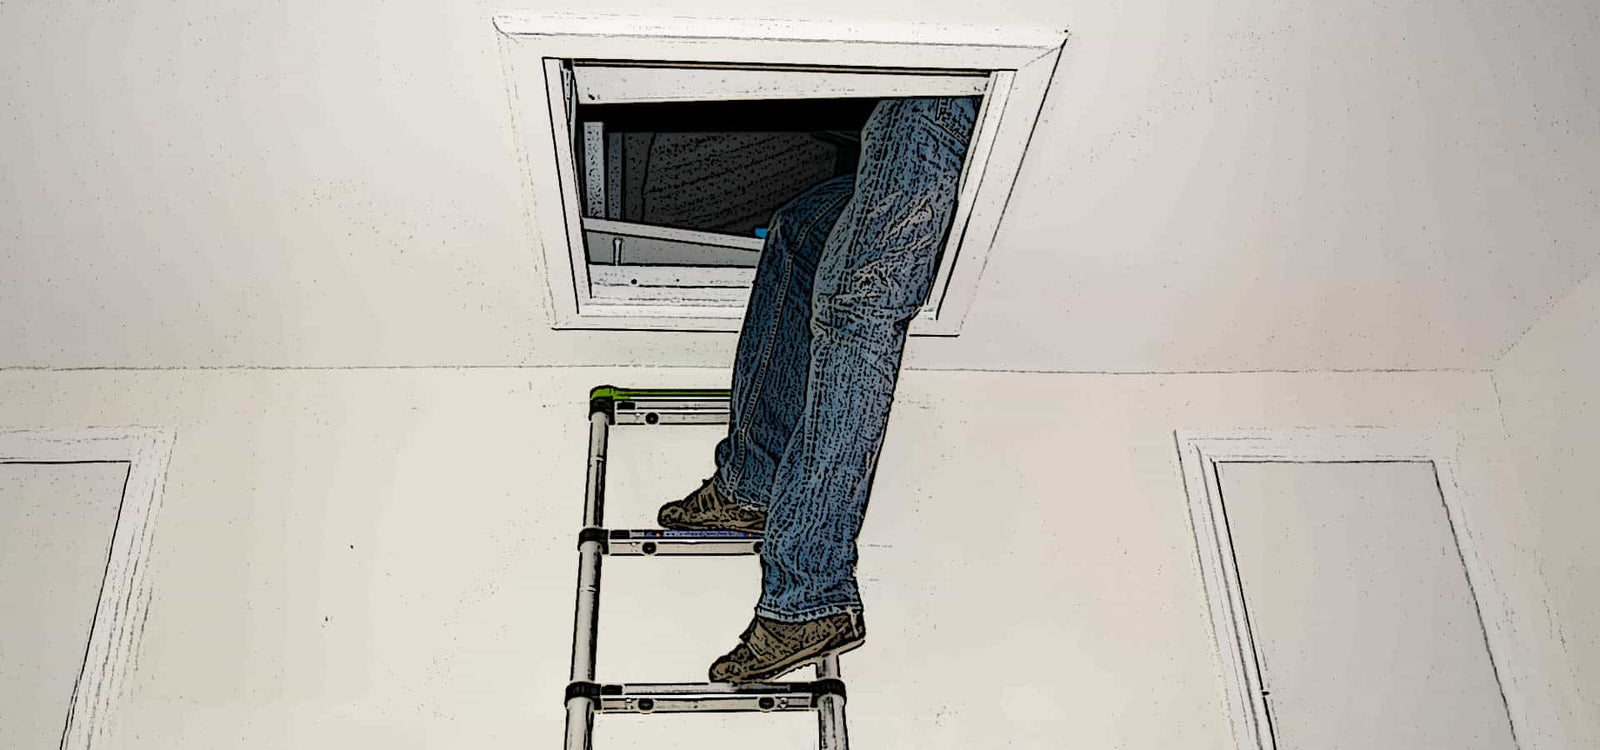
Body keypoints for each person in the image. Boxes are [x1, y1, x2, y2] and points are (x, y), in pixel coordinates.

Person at [656, 96, 979, 683]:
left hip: (947, 100)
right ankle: (752, 484)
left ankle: (810, 593)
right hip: (915, 103)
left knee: (859, 304)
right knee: (799, 231)